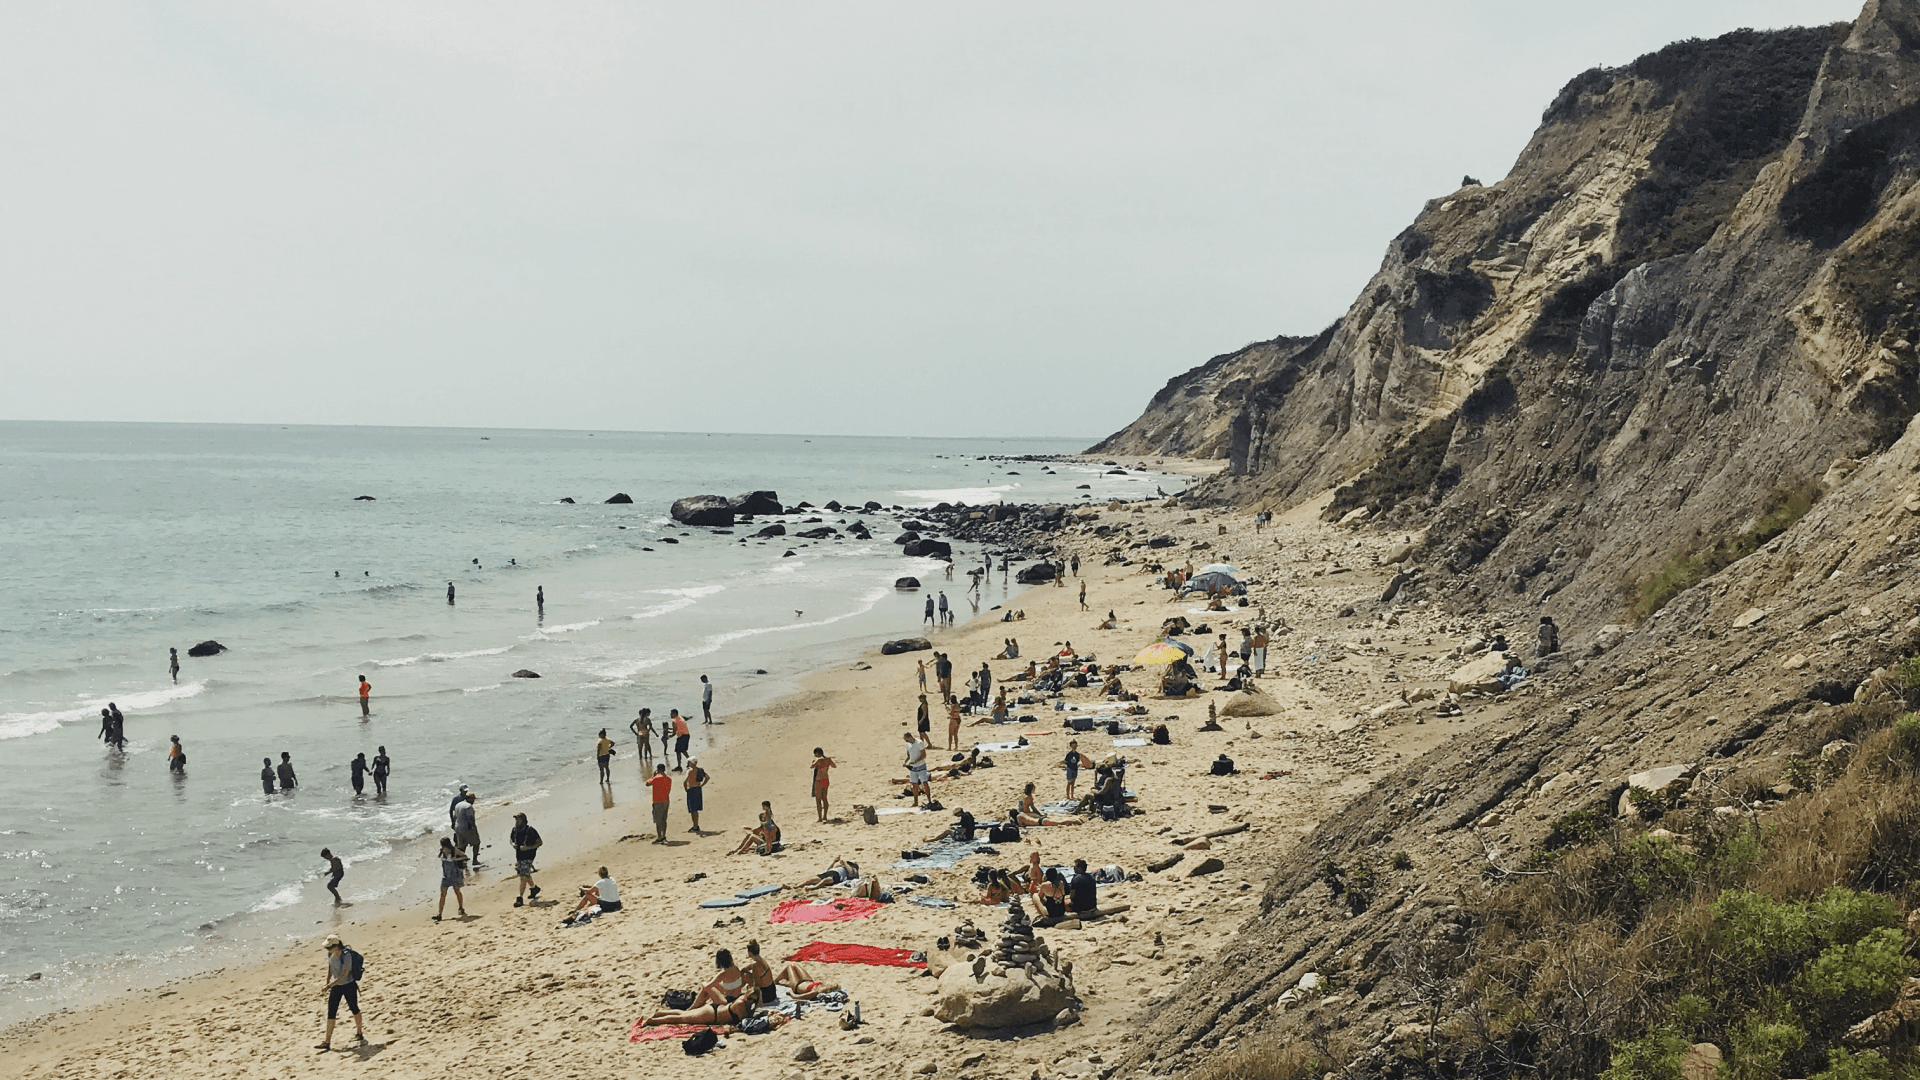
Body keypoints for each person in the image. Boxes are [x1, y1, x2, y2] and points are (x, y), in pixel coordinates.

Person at [316, 935, 365, 1051]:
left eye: (329, 948)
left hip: (349, 985)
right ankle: (327, 1042)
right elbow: (330, 968)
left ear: (336, 946)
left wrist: (329, 986)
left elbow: (344, 974)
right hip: (336, 986)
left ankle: (359, 1032)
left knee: (354, 1008)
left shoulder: (346, 955)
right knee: (331, 1011)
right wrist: (328, 981)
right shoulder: (330, 954)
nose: (327, 950)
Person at [742, 940, 837, 999]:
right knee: (793, 965)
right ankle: (776, 981)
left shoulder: (815, 992)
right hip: (808, 981)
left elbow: (798, 997)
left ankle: (776, 980)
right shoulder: (761, 961)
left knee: (788, 967)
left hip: (797, 986)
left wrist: (791, 994)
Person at [641, 986, 762, 1029]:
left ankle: (659, 1013)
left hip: (714, 1010)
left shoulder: (744, 1001)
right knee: (681, 1018)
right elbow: (745, 1021)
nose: (751, 1001)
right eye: (750, 998)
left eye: (754, 1000)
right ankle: (653, 1021)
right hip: (711, 1015)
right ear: (746, 995)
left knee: (683, 1014)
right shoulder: (741, 1004)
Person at [508, 813, 542, 906]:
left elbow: (540, 842)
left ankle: (520, 898)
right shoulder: (514, 830)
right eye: (516, 820)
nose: (516, 822)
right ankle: (534, 888)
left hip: (529, 856)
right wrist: (513, 844)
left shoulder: (530, 830)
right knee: (525, 874)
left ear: (523, 821)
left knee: (523, 876)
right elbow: (511, 839)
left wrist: (529, 847)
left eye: (518, 820)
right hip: (519, 856)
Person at [1017, 783, 1083, 826]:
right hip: (1029, 814)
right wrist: (1039, 814)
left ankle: (1074, 819)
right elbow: (1032, 808)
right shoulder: (1029, 797)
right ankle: (1074, 819)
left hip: (1028, 814)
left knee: (1054, 820)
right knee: (1053, 819)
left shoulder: (1022, 796)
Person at [434, 837, 467, 921]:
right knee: (443, 894)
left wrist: (455, 859)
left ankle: (461, 908)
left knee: (457, 892)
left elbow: (465, 856)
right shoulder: (442, 851)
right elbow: (439, 857)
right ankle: (439, 914)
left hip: (455, 875)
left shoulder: (454, 851)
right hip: (445, 876)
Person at [453, 791, 482, 865]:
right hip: (466, 827)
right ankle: (475, 861)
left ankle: (461, 862)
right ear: (470, 799)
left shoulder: (458, 804)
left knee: (462, 845)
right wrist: (474, 828)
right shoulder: (468, 807)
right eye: (473, 799)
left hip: (458, 827)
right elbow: (470, 818)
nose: (474, 801)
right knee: (476, 843)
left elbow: (454, 816)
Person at [646, 763, 673, 843]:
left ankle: (659, 837)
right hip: (666, 800)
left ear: (657, 769)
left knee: (658, 820)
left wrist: (652, 776)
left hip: (657, 801)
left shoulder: (656, 778)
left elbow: (647, 783)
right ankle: (663, 835)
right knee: (664, 819)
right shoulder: (668, 779)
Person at [794, 857, 859, 889]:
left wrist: (845, 863)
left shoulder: (852, 869)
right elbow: (828, 869)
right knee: (812, 879)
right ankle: (797, 886)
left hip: (838, 875)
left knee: (826, 880)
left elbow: (851, 872)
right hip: (831, 872)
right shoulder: (840, 866)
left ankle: (814, 887)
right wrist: (834, 862)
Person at [903, 731, 929, 807]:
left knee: (925, 783)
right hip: (913, 767)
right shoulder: (907, 744)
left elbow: (923, 755)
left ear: (910, 737)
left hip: (921, 765)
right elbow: (909, 754)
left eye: (906, 740)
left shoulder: (919, 742)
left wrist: (916, 761)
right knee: (914, 784)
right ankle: (916, 802)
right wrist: (906, 762)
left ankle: (929, 800)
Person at [810, 747, 834, 822]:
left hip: (819, 781)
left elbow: (812, 766)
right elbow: (834, 766)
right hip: (826, 780)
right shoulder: (828, 760)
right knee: (824, 798)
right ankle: (825, 816)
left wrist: (814, 761)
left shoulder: (818, 761)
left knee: (818, 800)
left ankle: (820, 817)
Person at [685, 757, 707, 832]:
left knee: (692, 809)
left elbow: (685, 781)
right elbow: (707, 777)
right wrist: (702, 785)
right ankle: (695, 825)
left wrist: (686, 789)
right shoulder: (700, 770)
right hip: (698, 789)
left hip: (691, 789)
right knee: (696, 809)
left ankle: (695, 826)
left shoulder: (690, 771)